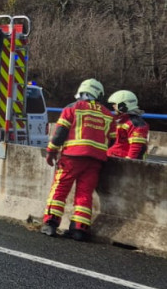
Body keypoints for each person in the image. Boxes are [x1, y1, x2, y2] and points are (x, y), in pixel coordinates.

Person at [40, 78, 115, 241]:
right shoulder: (108, 114)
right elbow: (113, 140)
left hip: (72, 157)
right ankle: (79, 229)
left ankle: (50, 224)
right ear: (98, 94)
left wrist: (51, 151)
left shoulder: (72, 108)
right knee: (84, 193)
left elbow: (60, 133)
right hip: (96, 161)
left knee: (60, 189)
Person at [107, 90, 150, 160]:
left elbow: (135, 148)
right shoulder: (120, 120)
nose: (113, 106)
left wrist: (127, 163)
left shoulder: (136, 123)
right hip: (114, 158)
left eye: (115, 104)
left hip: (122, 161)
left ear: (123, 105)